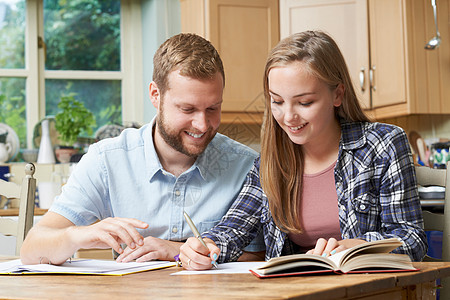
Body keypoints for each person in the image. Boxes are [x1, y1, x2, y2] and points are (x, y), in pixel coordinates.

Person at [179, 30, 428, 270]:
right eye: (276, 101)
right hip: (299, 290)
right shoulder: (271, 161)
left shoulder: (382, 145)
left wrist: (359, 247)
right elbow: (234, 228)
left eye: (305, 102)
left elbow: (411, 239)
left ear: (337, 94)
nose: (288, 117)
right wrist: (206, 246)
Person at [20, 33, 265, 265]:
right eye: (188, 109)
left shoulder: (245, 166)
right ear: (155, 95)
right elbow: (31, 249)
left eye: (212, 108)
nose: (202, 125)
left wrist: (175, 251)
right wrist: (77, 235)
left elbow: (257, 256)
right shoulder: (107, 161)